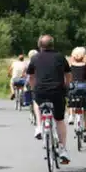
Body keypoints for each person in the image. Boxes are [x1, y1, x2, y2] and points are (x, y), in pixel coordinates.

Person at [26, 34, 72, 164]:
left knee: (36, 101)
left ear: (40, 45)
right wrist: (66, 86)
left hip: (40, 92)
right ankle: (62, 149)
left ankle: (40, 126)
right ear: (53, 45)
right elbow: (68, 74)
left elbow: (30, 77)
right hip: (57, 92)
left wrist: (34, 88)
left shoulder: (35, 58)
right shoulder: (60, 57)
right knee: (59, 120)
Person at [67, 46, 86, 143]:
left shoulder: (70, 65)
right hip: (83, 87)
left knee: (71, 99)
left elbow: (68, 77)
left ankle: (71, 115)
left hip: (73, 87)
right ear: (83, 56)